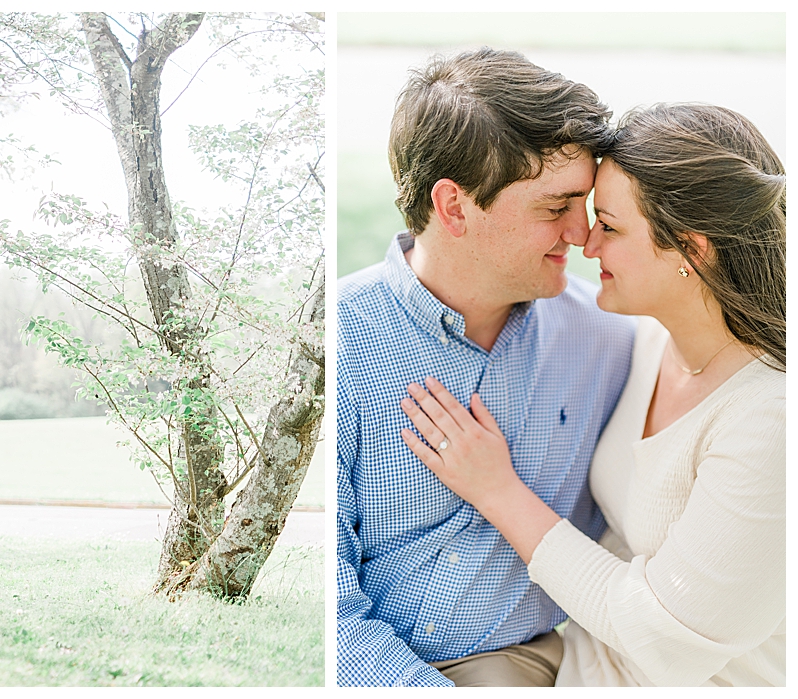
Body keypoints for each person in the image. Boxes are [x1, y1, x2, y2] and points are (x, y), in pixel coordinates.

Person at [399, 103, 785, 686]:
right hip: (577, 663)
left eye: (610, 225)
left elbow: (667, 646)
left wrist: (497, 490)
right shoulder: (650, 340)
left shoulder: (771, 420)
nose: (585, 242)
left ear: (691, 250)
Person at [335, 48, 638, 687]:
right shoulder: (341, 344)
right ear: (453, 208)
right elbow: (331, 610)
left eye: (582, 205)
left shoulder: (609, 338)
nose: (583, 236)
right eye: (556, 208)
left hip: (565, 659)